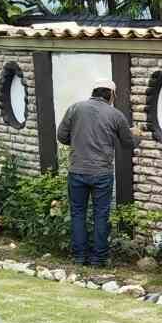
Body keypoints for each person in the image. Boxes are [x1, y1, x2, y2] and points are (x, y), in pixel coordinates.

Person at [56, 79, 137, 267]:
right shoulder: (115, 115)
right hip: (102, 173)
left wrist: (78, 142)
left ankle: (79, 257)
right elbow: (128, 143)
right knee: (101, 215)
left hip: (77, 171)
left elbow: (61, 136)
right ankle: (98, 259)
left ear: (94, 92)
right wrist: (137, 135)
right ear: (111, 95)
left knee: (78, 214)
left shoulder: (75, 108)